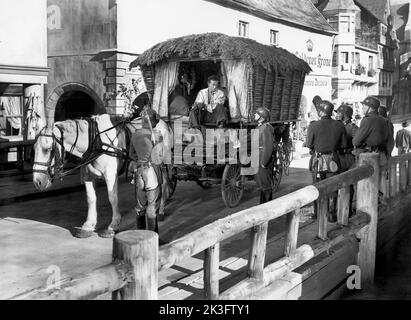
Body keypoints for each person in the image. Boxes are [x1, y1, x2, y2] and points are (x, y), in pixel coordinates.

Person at [306, 100, 347, 222]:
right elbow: (343, 144)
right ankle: (331, 213)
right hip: (333, 159)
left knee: (317, 186)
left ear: (321, 111)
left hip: (318, 160)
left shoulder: (313, 125)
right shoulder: (339, 125)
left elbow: (309, 144)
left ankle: (317, 212)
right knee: (333, 186)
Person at [129, 107, 163, 237]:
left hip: (139, 172)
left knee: (140, 207)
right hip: (152, 173)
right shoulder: (157, 135)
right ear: (153, 121)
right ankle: (154, 239)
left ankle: (141, 237)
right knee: (152, 207)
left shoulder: (135, 134)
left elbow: (132, 154)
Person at [335, 104, 358, 216]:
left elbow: (359, 140)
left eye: (339, 113)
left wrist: (355, 150)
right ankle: (336, 211)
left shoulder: (352, 127)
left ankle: (347, 210)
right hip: (337, 157)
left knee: (348, 183)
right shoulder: (335, 125)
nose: (336, 114)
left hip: (347, 158)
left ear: (345, 115)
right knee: (335, 184)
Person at [254, 107, 275, 204]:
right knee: (262, 185)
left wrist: (264, 162)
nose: (254, 115)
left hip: (263, 160)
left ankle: (267, 208)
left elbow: (268, 146)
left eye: (257, 114)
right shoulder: (260, 127)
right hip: (258, 158)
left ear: (262, 117)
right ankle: (262, 206)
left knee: (266, 186)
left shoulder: (266, 128)